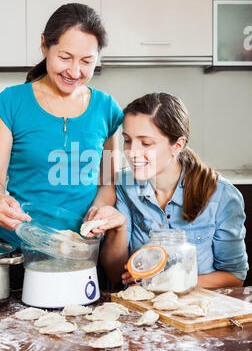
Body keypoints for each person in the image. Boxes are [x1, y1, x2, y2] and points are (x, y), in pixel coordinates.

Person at [0, 3, 123, 289]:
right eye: (65, 57)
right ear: (45, 46)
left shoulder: (107, 109)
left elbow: (107, 183)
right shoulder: (11, 103)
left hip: (85, 253)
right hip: (20, 254)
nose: (74, 71)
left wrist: (98, 215)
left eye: (87, 61)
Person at [91, 92, 249, 289]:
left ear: (177, 145)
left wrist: (165, 282)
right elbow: (116, 275)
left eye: (146, 143)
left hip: (197, 311)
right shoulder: (125, 187)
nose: (132, 152)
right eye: (128, 140)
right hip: (140, 311)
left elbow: (234, 277)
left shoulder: (221, 195)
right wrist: (119, 227)